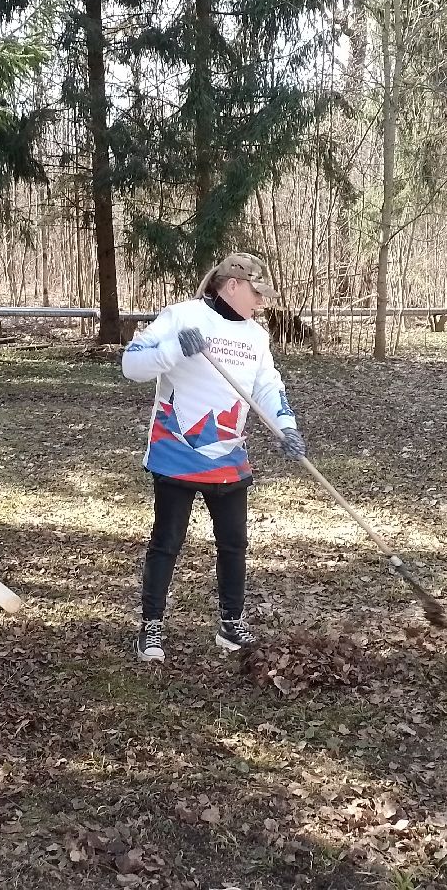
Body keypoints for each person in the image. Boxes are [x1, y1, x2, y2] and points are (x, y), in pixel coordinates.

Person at [121, 252, 306, 662]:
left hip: (227, 457)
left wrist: (285, 426)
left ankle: (231, 624)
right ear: (233, 285)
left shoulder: (257, 336)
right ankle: (150, 629)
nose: (261, 302)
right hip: (176, 451)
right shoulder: (182, 316)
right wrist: (171, 349)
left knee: (234, 544)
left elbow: (267, 387)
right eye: (256, 293)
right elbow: (131, 363)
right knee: (167, 542)